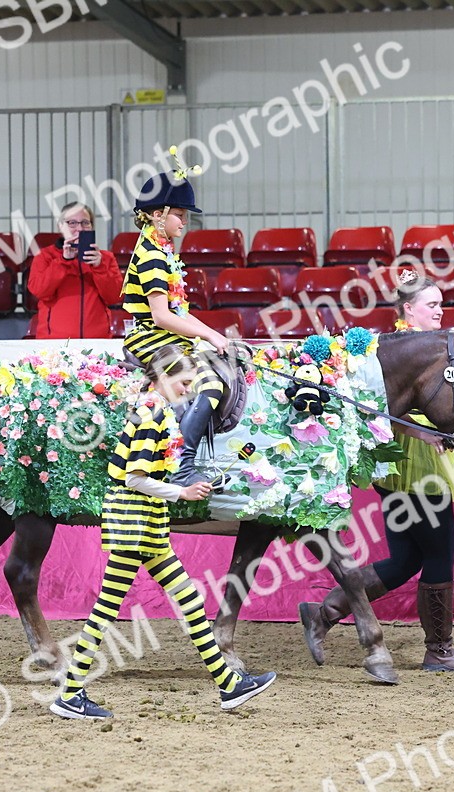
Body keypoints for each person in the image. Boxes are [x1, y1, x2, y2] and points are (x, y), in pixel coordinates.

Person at [51, 344, 276, 720]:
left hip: (145, 519)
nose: (188, 391)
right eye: (185, 383)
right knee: (108, 609)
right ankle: (71, 692)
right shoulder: (152, 413)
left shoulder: (154, 410)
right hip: (135, 518)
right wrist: (182, 492)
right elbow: (135, 477)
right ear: (164, 378)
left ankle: (228, 684)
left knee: (186, 599)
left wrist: (191, 486)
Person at [299, 272, 454, 672]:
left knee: (405, 559)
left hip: (411, 461)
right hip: (413, 460)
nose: (439, 311)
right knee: (439, 552)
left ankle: (326, 612)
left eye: (440, 304)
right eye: (431, 305)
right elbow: (371, 404)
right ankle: (440, 651)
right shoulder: (384, 350)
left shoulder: (434, 350)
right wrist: (413, 429)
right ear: (408, 310)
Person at [122, 159, 230, 486]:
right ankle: (182, 466)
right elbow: (162, 315)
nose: (185, 222)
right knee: (210, 385)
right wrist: (212, 336)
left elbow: (179, 312)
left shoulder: (162, 249)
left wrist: (214, 336)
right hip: (152, 339)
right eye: (180, 215)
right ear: (157, 215)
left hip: (165, 338)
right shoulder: (153, 255)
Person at [27, 201, 122, 338]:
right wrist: (63, 261)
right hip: (54, 343)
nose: (79, 228)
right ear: (60, 227)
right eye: (72, 223)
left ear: (91, 226)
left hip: (96, 341)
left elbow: (115, 297)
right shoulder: (45, 257)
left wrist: (99, 267)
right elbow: (39, 291)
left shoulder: (105, 258)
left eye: (85, 223)